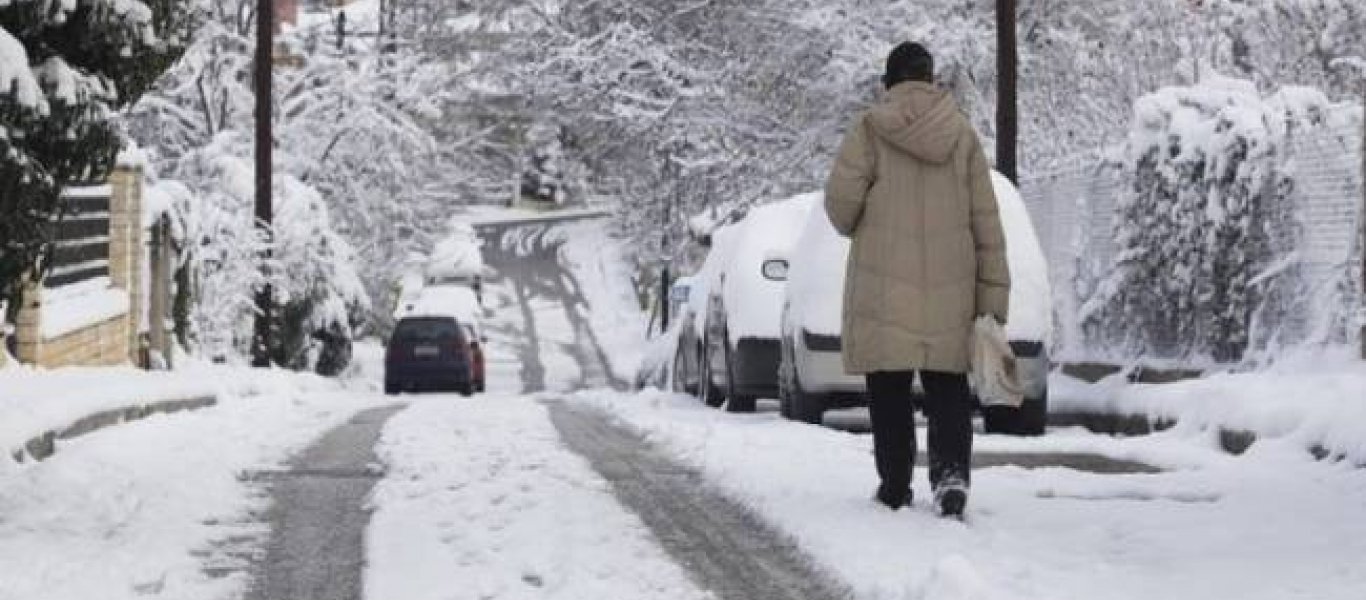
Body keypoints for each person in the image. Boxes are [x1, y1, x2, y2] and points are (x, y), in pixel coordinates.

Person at [824, 42, 1010, 517]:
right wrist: (993, 298)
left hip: (885, 287)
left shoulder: (869, 130)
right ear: (932, 81)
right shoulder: (962, 136)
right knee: (947, 385)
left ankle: (894, 483)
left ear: (888, 82)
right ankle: (950, 478)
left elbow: (841, 212)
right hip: (951, 287)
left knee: (888, 386)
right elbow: (987, 223)